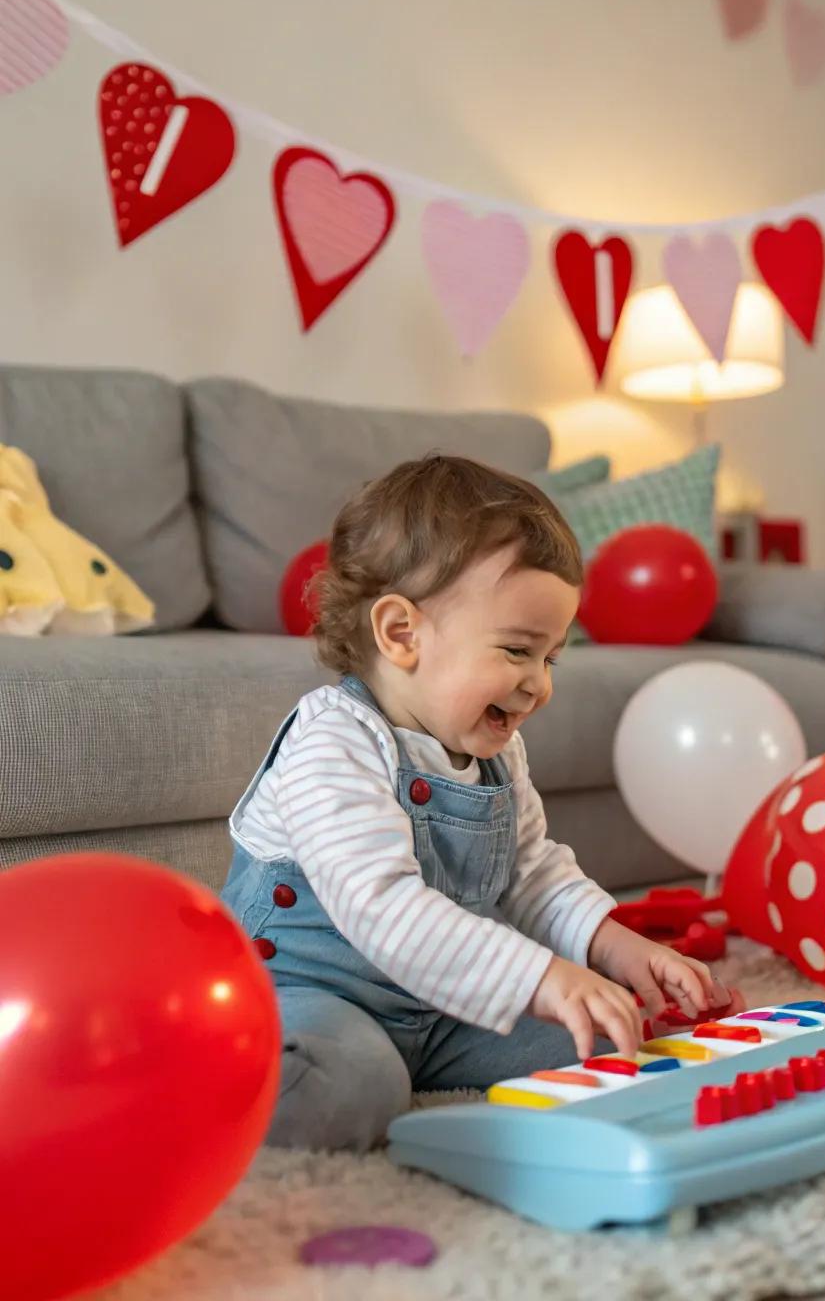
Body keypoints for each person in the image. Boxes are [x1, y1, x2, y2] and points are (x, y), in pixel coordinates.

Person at [221, 454, 736, 1151]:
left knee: (605, 1039)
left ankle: (424, 1056)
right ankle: (206, 1080)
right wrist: (542, 975)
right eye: (518, 650)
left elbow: (532, 874)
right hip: (310, 1000)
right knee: (348, 1089)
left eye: (550, 657)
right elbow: (382, 910)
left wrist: (616, 950)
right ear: (401, 634)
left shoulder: (495, 751)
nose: (538, 685)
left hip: (437, 1005)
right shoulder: (332, 744)